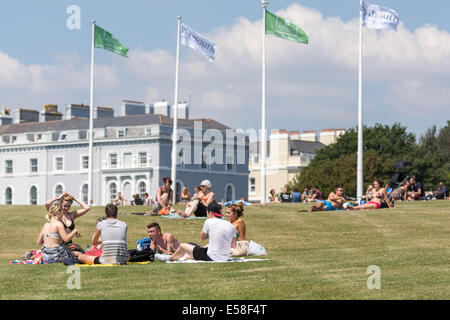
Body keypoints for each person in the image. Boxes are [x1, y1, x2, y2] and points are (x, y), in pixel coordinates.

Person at [159, 203, 237, 262]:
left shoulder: (209, 221)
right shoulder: (230, 225)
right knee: (194, 252)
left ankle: (169, 258)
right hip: (226, 257)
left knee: (182, 246)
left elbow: (202, 237)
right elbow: (234, 245)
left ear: (209, 212)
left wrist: (211, 232)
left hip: (211, 256)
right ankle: (178, 256)